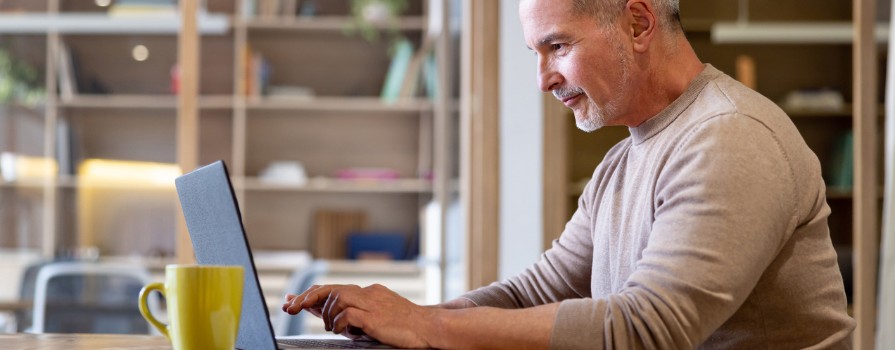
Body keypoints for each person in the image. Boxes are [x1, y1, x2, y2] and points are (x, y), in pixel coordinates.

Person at [282, 0, 856, 348]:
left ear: (637, 22)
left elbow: (646, 330)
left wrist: (427, 328)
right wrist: (397, 319)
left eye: (557, 46)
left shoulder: (730, 137)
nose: (543, 79)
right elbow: (536, 291)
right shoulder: (622, 162)